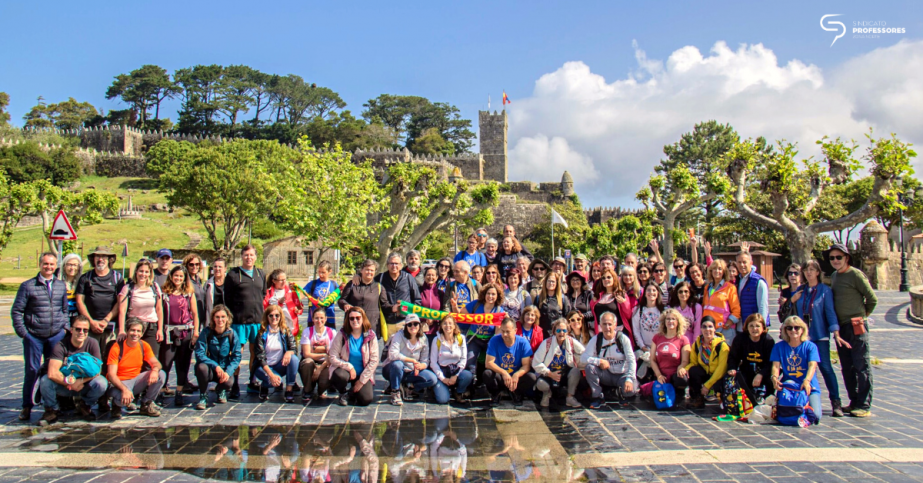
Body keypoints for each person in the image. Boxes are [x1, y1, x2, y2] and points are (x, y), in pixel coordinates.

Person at [12, 252, 69, 421]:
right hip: (34, 336)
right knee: (32, 370)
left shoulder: (60, 286)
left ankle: (52, 406)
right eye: (46, 264)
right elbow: (17, 311)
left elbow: (64, 309)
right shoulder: (27, 286)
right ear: (40, 265)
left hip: (55, 336)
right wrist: (24, 334)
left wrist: (64, 328)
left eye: (52, 265)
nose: (49, 267)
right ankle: (26, 406)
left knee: (54, 371)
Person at [792, 259, 847, 417]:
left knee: (826, 368)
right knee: (804, 370)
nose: (808, 272)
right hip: (802, 338)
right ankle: (806, 401)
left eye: (812, 269)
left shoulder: (824, 290)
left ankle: (836, 401)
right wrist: (792, 300)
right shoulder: (801, 291)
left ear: (818, 272)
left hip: (820, 335)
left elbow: (830, 312)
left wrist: (835, 332)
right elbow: (791, 314)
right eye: (806, 270)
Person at [828, 243, 877, 418]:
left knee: (861, 365)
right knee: (846, 367)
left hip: (856, 325)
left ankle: (864, 405)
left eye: (838, 257)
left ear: (846, 258)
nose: (835, 260)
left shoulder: (856, 275)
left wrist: (862, 316)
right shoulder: (834, 276)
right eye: (832, 257)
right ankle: (854, 401)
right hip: (841, 329)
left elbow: (872, 299)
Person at [37, 315, 107, 425]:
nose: (81, 332)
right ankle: (52, 410)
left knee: (101, 383)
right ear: (71, 330)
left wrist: (80, 381)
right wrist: (69, 382)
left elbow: (98, 370)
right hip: (64, 385)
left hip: (84, 385)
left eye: (85, 330)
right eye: (78, 329)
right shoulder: (61, 345)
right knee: (45, 381)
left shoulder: (92, 343)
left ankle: (85, 405)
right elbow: (52, 373)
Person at [224, 244, 266, 398]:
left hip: (256, 321)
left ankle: (252, 381)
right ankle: (234, 382)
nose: (249, 258)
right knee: (237, 353)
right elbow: (227, 299)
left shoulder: (260, 274)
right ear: (241, 256)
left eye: (252, 255)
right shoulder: (233, 275)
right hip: (239, 321)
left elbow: (263, 295)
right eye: (246, 255)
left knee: (255, 353)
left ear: (256, 257)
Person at [106, 317, 165, 418]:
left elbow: (157, 363)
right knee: (123, 399)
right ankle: (116, 405)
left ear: (142, 334)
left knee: (161, 374)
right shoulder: (117, 347)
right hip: (119, 383)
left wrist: (155, 370)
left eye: (138, 331)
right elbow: (111, 375)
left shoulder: (144, 345)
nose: (135, 334)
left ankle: (146, 404)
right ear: (127, 331)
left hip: (135, 381)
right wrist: (124, 390)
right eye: (133, 330)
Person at [159, 265, 199, 406]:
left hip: (185, 332)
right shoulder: (164, 293)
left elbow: (194, 313)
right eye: (176, 275)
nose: (178, 278)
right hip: (169, 332)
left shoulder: (189, 293)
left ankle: (179, 391)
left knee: (183, 364)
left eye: (181, 276)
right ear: (171, 276)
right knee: (165, 363)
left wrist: (195, 332)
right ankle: (161, 390)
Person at [581, 311, 638, 409]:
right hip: (606, 374)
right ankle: (597, 396)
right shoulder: (596, 339)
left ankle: (618, 392)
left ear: (615, 325)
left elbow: (631, 360)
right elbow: (583, 358)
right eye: (604, 324)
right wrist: (599, 361)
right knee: (589, 367)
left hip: (622, 374)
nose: (607, 328)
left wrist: (629, 378)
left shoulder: (622, 339)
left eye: (610, 324)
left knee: (631, 391)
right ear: (600, 326)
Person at [76, 246, 125, 358]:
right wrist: (91, 322)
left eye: (104, 256)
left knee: (109, 359)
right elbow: (79, 301)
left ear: (109, 259)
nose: (100, 259)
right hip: (90, 326)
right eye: (98, 256)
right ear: (93, 259)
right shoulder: (85, 278)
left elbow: (120, 303)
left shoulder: (117, 278)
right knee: (89, 358)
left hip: (110, 326)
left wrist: (106, 320)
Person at [771, 316, 822, 421]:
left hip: (808, 387)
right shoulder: (779, 347)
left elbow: (812, 365)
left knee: (816, 416)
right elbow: (775, 366)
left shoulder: (810, 347)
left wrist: (807, 380)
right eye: (789, 328)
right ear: (785, 330)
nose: (793, 330)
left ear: (803, 329)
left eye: (796, 327)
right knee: (786, 413)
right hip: (789, 387)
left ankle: (804, 406)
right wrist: (774, 378)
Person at [329, 307, 380, 407]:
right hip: (346, 372)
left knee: (366, 399)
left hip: (363, 373)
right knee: (340, 375)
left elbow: (374, 360)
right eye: (351, 318)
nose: (355, 320)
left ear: (363, 318)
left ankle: (351, 392)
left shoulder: (370, 335)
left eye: (358, 318)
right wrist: (349, 366)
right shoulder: (342, 334)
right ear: (348, 320)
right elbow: (332, 356)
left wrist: (362, 381)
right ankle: (343, 393)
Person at [193, 304, 241, 410]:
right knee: (201, 368)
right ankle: (203, 396)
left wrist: (228, 371)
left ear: (227, 318)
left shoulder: (232, 334)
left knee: (229, 382)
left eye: (223, 317)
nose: (220, 320)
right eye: (217, 317)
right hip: (210, 368)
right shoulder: (206, 332)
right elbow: (199, 353)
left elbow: (236, 356)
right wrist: (215, 366)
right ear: (213, 318)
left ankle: (220, 390)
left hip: (224, 368)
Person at [383, 314, 436, 406]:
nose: (413, 327)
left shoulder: (423, 338)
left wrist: (420, 366)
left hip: (411, 371)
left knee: (432, 379)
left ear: (419, 325)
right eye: (409, 324)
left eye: (415, 324)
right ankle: (395, 392)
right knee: (397, 364)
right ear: (405, 326)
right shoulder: (399, 335)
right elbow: (392, 355)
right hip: (393, 369)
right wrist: (412, 360)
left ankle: (410, 388)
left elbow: (425, 360)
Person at [454, 283, 505, 375]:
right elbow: (460, 316)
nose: (490, 296)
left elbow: (497, 332)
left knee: (489, 364)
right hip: (474, 339)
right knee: (470, 363)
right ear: (484, 294)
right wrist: (455, 306)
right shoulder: (476, 304)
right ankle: (471, 384)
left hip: (489, 340)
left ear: (497, 296)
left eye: (493, 294)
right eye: (488, 293)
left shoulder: (499, 310)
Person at [533, 318, 586, 408]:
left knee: (575, 371)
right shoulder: (547, 343)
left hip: (564, 373)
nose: (561, 333)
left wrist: (577, 359)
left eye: (564, 330)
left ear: (567, 331)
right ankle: (546, 394)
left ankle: (570, 397)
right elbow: (535, 363)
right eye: (558, 330)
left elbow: (584, 353)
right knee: (541, 384)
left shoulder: (571, 341)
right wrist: (549, 374)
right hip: (549, 373)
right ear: (554, 331)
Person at [483, 317, 536, 406]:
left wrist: (517, 374)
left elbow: (526, 365)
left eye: (508, 332)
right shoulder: (494, 340)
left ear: (515, 331)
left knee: (532, 377)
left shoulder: (523, 343)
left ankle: (516, 392)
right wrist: (503, 372)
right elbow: (488, 363)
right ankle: (496, 393)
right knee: (487, 374)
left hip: (515, 377)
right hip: (501, 376)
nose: (504, 334)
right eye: (503, 331)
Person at [640, 309, 690, 401]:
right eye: (668, 319)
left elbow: (685, 361)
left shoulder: (683, 339)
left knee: (682, 380)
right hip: (661, 375)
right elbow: (653, 360)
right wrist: (659, 375)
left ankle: (678, 393)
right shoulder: (657, 337)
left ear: (678, 322)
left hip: (675, 375)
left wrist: (681, 367)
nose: (670, 321)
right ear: (664, 322)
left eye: (673, 319)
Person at [253, 305, 300, 403]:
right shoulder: (261, 334)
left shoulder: (285, 331)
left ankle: (289, 390)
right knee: (277, 382)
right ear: (267, 317)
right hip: (264, 367)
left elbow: (294, 348)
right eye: (271, 316)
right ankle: (265, 385)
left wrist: (288, 352)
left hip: (279, 365)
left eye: (277, 315)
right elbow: (260, 358)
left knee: (294, 359)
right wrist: (271, 375)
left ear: (280, 317)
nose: (274, 318)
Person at [726, 313, 775, 405]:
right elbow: (733, 356)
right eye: (751, 326)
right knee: (740, 381)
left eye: (757, 326)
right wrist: (731, 368)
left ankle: (768, 400)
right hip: (747, 368)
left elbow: (770, 363)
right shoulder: (740, 339)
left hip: (764, 370)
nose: (754, 329)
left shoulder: (768, 341)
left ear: (763, 327)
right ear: (747, 327)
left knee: (770, 379)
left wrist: (761, 374)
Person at [117, 259, 163, 355]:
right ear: (136, 272)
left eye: (146, 272)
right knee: (133, 356)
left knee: (150, 358)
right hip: (134, 327)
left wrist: (160, 329)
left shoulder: (155, 287)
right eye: (141, 271)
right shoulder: (128, 288)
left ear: (150, 274)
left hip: (151, 327)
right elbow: (122, 310)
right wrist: (121, 330)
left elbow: (159, 309)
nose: (143, 274)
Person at [683, 316, 729, 409]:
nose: (707, 329)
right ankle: (698, 398)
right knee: (693, 371)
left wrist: (707, 385)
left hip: (717, 376)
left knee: (721, 384)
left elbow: (721, 369)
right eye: (704, 326)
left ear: (715, 329)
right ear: (700, 329)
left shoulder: (722, 346)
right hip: (705, 373)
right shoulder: (697, 343)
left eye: (710, 326)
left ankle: (720, 397)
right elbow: (693, 363)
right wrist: (684, 369)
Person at [376, 252, 423, 337]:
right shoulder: (381, 278)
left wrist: (410, 315)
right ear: (387, 265)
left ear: (401, 265)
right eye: (391, 263)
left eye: (396, 263)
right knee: (389, 349)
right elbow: (366, 281)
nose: (394, 266)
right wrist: (357, 277)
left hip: (405, 322)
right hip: (388, 322)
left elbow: (417, 299)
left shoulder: (408, 278)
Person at [431, 316, 474, 404]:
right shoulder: (436, 340)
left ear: (454, 326)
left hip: (456, 370)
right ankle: (439, 388)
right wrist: (443, 378)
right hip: (442, 371)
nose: (448, 326)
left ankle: (458, 392)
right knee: (443, 400)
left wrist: (456, 375)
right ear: (441, 326)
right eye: (445, 323)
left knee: (468, 375)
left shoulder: (460, 338)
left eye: (450, 323)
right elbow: (433, 362)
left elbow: (463, 358)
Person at [340, 259, 389, 335]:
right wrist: (345, 305)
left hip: (371, 327)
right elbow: (341, 300)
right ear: (361, 270)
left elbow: (385, 305)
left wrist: (394, 308)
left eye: (372, 270)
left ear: (375, 272)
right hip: (353, 325)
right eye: (367, 270)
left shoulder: (379, 287)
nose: (369, 272)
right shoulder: (352, 284)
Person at [299, 307, 337, 405]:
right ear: (312, 319)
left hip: (325, 363)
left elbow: (332, 355)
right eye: (316, 318)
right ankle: (307, 389)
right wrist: (324, 353)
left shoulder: (332, 332)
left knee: (326, 376)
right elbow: (307, 353)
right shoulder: (307, 331)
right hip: (311, 361)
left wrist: (319, 368)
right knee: (307, 363)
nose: (319, 321)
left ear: (325, 319)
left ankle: (322, 389)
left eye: (321, 318)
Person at [701, 259, 741, 345]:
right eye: (714, 269)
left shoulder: (730, 287)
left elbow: (736, 310)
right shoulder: (707, 288)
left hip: (725, 329)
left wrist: (728, 324)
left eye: (720, 269)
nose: (717, 271)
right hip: (709, 329)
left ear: (724, 271)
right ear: (711, 271)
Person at [631, 283, 665, 380]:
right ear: (645, 293)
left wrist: (656, 349)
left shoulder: (663, 310)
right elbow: (636, 330)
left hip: (659, 349)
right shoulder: (639, 310)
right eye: (648, 290)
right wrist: (643, 347)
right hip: (643, 349)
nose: (651, 293)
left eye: (654, 290)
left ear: (658, 293)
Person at [735, 249, 770, 330]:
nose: (742, 265)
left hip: (754, 329)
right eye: (739, 262)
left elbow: (763, 308)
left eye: (744, 262)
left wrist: (761, 327)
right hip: (741, 327)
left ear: (751, 263)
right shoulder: (737, 280)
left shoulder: (758, 282)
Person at [264, 269, 304, 337]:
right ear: (274, 281)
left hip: (291, 328)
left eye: (285, 279)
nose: (284, 282)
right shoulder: (269, 292)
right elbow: (265, 308)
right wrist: (279, 302)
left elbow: (299, 305)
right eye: (281, 280)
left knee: (291, 346)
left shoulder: (291, 291)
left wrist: (298, 309)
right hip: (275, 329)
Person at [591, 269, 627, 338]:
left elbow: (628, 315)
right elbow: (593, 313)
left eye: (609, 277)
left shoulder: (621, 295)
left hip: (617, 332)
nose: (606, 279)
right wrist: (593, 302)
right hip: (600, 332)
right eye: (603, 278)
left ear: (614, 279)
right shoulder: (598, 296)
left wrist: (623, 303)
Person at [303, 260, 339, 330]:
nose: (320, 275)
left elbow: (342, 297)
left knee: (329, 340)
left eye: (323, 272)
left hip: (329, 318)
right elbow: (302, 293)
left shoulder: (334, 285)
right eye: (319, 272)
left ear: (330, 271)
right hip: (314, 319)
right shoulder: (313, 284)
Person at [535, 272, 571, 336]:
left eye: (553, 281)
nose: (551, 283)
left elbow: (567, 316)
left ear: (557, 283)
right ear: (545, 282)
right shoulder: (538, 298)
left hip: (558, 333)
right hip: (543, 334)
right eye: (549, 281)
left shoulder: (563, 299)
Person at [419, 266, 445, 339]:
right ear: (424, 277)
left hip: (436, 331)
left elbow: (443, 311)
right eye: (428, 275)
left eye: (433, 275)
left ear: (437, 277)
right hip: (420, 330)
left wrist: (434, 319)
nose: (430, 277)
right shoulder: (418, 291)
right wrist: (425, 319)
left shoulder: (441, 293)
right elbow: (414, 308)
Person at [183, 253, 207, 330]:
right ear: (186, 266)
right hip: (191, 319)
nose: (194, 267)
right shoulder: (185, 280)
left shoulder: (198, 279)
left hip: (201, 318)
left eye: (197, 264)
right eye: (191, 264)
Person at [204, 257, 227, 324]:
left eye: (220, 267)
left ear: (225, 268)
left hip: (226, 319)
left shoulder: (230, 283)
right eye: (215, 267)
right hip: (213, 319)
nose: (217, 269)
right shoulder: (208, 284)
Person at [61, 253, 82, 323]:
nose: (72, 268)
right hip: (61, 321)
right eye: (69, 264)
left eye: (75, 265)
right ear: (64, 266)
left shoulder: (82, 283)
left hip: (77, 322)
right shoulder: (57, 282)